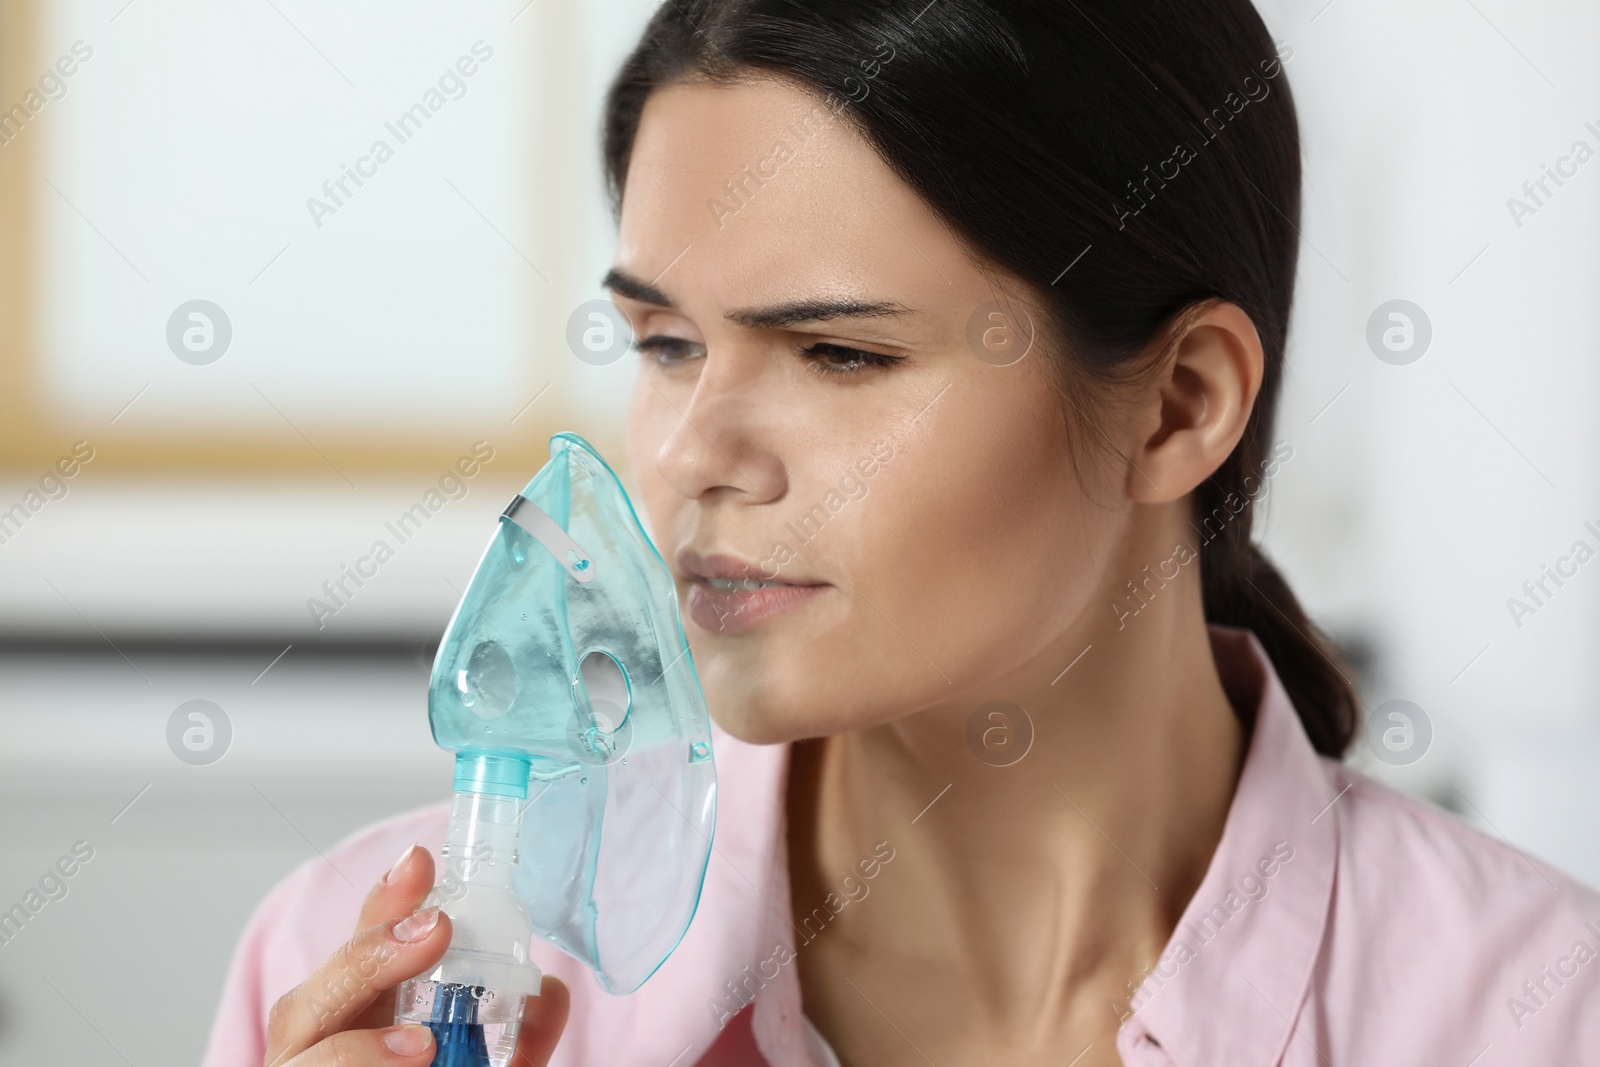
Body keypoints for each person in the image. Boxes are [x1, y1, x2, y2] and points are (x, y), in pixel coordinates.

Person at [203, 2, 1600, 1064]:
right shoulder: (353, 979)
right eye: (667, 342)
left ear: (1177, 404)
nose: (689, 454)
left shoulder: (1532, 1011)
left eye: (839, 357)